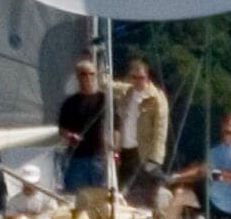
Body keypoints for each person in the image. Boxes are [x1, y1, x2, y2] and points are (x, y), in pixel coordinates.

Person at [115, 58, 173, 208]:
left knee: (139, 189)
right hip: (125, 148)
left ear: (147, 77)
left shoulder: (156, 99)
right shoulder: (127, 92)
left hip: (143, 150)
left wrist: (155, 158)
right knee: (122, 189)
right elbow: (109, 86)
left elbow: (160, 131)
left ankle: (168, 185)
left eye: (141, 78)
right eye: (134, 78)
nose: (137, 81)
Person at [55, 59, 110, 197]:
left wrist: (114, 149)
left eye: (91, 74)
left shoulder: (104, 100)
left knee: (100, 196)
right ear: (78, 76)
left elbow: (116, 126)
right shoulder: (70, 103)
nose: (88, 78)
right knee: (74, 196)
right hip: (76, 157)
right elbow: (62, 128)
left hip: (99, 156)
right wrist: (70, 136)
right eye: (84, 74)